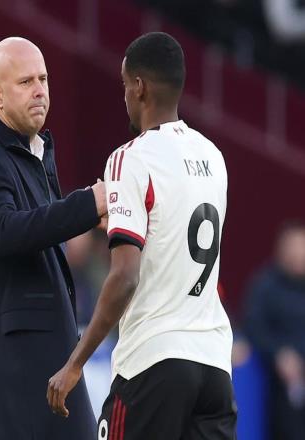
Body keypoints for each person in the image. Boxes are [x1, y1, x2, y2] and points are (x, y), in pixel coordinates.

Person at [47, 32, 237, 439]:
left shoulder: (129, 158)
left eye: (124, 86)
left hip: (154, 363)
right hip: (214, 364)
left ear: (139, 87)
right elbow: (174, 235)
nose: (124, 97)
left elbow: (125, 276)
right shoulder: (214, 156)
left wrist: (75, 363)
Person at [0, 37, 107, 440]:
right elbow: (1, 233)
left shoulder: (33, 153)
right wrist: (87, 205)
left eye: (43, 79)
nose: (39, 90)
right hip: (10, 370)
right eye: (25, 82)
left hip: (50, 364)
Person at [245, 220, 305, 440]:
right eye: (292, 247)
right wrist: (278, 353)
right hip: (279, 380)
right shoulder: (266, 285)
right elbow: (254, 327)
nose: (297, 254)